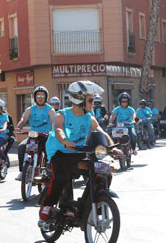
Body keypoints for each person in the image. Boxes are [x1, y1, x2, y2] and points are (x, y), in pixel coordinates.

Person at [38, 81, 122, 222]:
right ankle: (47, 205)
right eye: (90, 100)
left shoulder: (89, 117)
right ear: (79, 100)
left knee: (104, 174)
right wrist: (65, 141)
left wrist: (112, 147)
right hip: (60, 153)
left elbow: (100, 131)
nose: (93, 103)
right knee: (61, 178)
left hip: (79, 152)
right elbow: (58, 129)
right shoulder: (61, 115)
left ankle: (92, 202)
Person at [15, 86, 55, 181]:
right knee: (21, 147)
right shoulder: (30, 109)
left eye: (42, 96)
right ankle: (22, 171)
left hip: (45, 136)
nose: (40, 98)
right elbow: (23, 119)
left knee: (49, 151)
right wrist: (18, 127)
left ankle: (48, 171)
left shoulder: (50, 110)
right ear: (35, 97)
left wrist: (51, 131)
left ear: (46, 97)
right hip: (33, 136)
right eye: (38, 95)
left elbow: (53, 122)